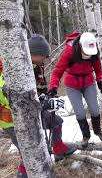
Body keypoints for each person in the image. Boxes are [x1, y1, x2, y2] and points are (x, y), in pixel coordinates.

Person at [0, 34, 77, 178]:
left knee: (56, 121)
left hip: (33, 114)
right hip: (12, 120)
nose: (46, 59)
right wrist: (44, 103)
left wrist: (48, 98)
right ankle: (23, 175)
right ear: (34, 54)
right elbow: (12, 98)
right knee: (29, 153)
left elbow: (36, 92)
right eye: (44, 55)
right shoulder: (13, 69)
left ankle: (58, 149)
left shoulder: (34, 66)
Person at [49, 32, 102, 148]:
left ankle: (98, 131)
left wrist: (100, 81)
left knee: (95, 110)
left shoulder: (94, 51)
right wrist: (53, 86)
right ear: (81, 46)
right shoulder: (70, 52)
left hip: (88, 82)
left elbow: (98, 69)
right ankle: (86, 136)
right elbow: (57, 71)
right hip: (72, 84)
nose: (89, 54)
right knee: (80, 112)